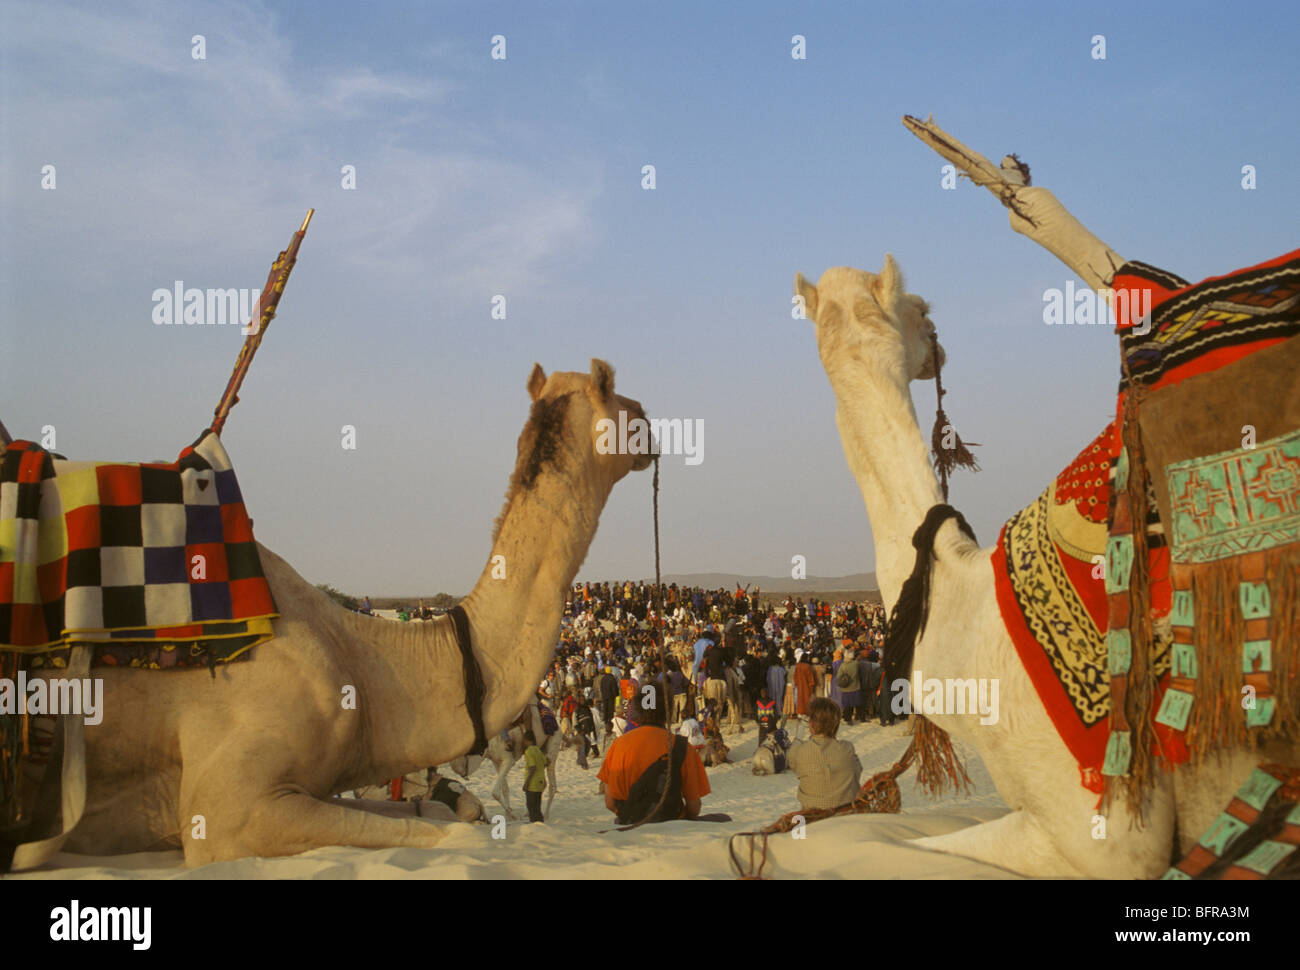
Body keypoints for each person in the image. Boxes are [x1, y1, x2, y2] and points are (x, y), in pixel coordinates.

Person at [597, 681, 710, 824]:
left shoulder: (618, 745)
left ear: (638, 708)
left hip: (629, 823)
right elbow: (694, 807)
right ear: (668, 710)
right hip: (671, 824)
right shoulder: (682, 747)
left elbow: (610, 803)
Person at [786, 698, 862, 811]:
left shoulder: (800, 751)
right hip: (845, 816)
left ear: (811, 725)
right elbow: (857, 773)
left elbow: (791, 759)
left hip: (812, 818)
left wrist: (799, 734)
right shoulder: (847, 748)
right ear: (836, 724)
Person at [522, 730, 547, 823]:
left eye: (524, 740)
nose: (523, 742)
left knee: (531, 807)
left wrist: (526, 783)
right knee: (537, 807)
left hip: (532, 784)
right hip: (540, 782)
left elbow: (532, 768)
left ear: (528, 740)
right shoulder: (538, 750)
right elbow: (545, 763)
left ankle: (534, 825)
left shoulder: (528, 751)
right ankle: (540, 823)